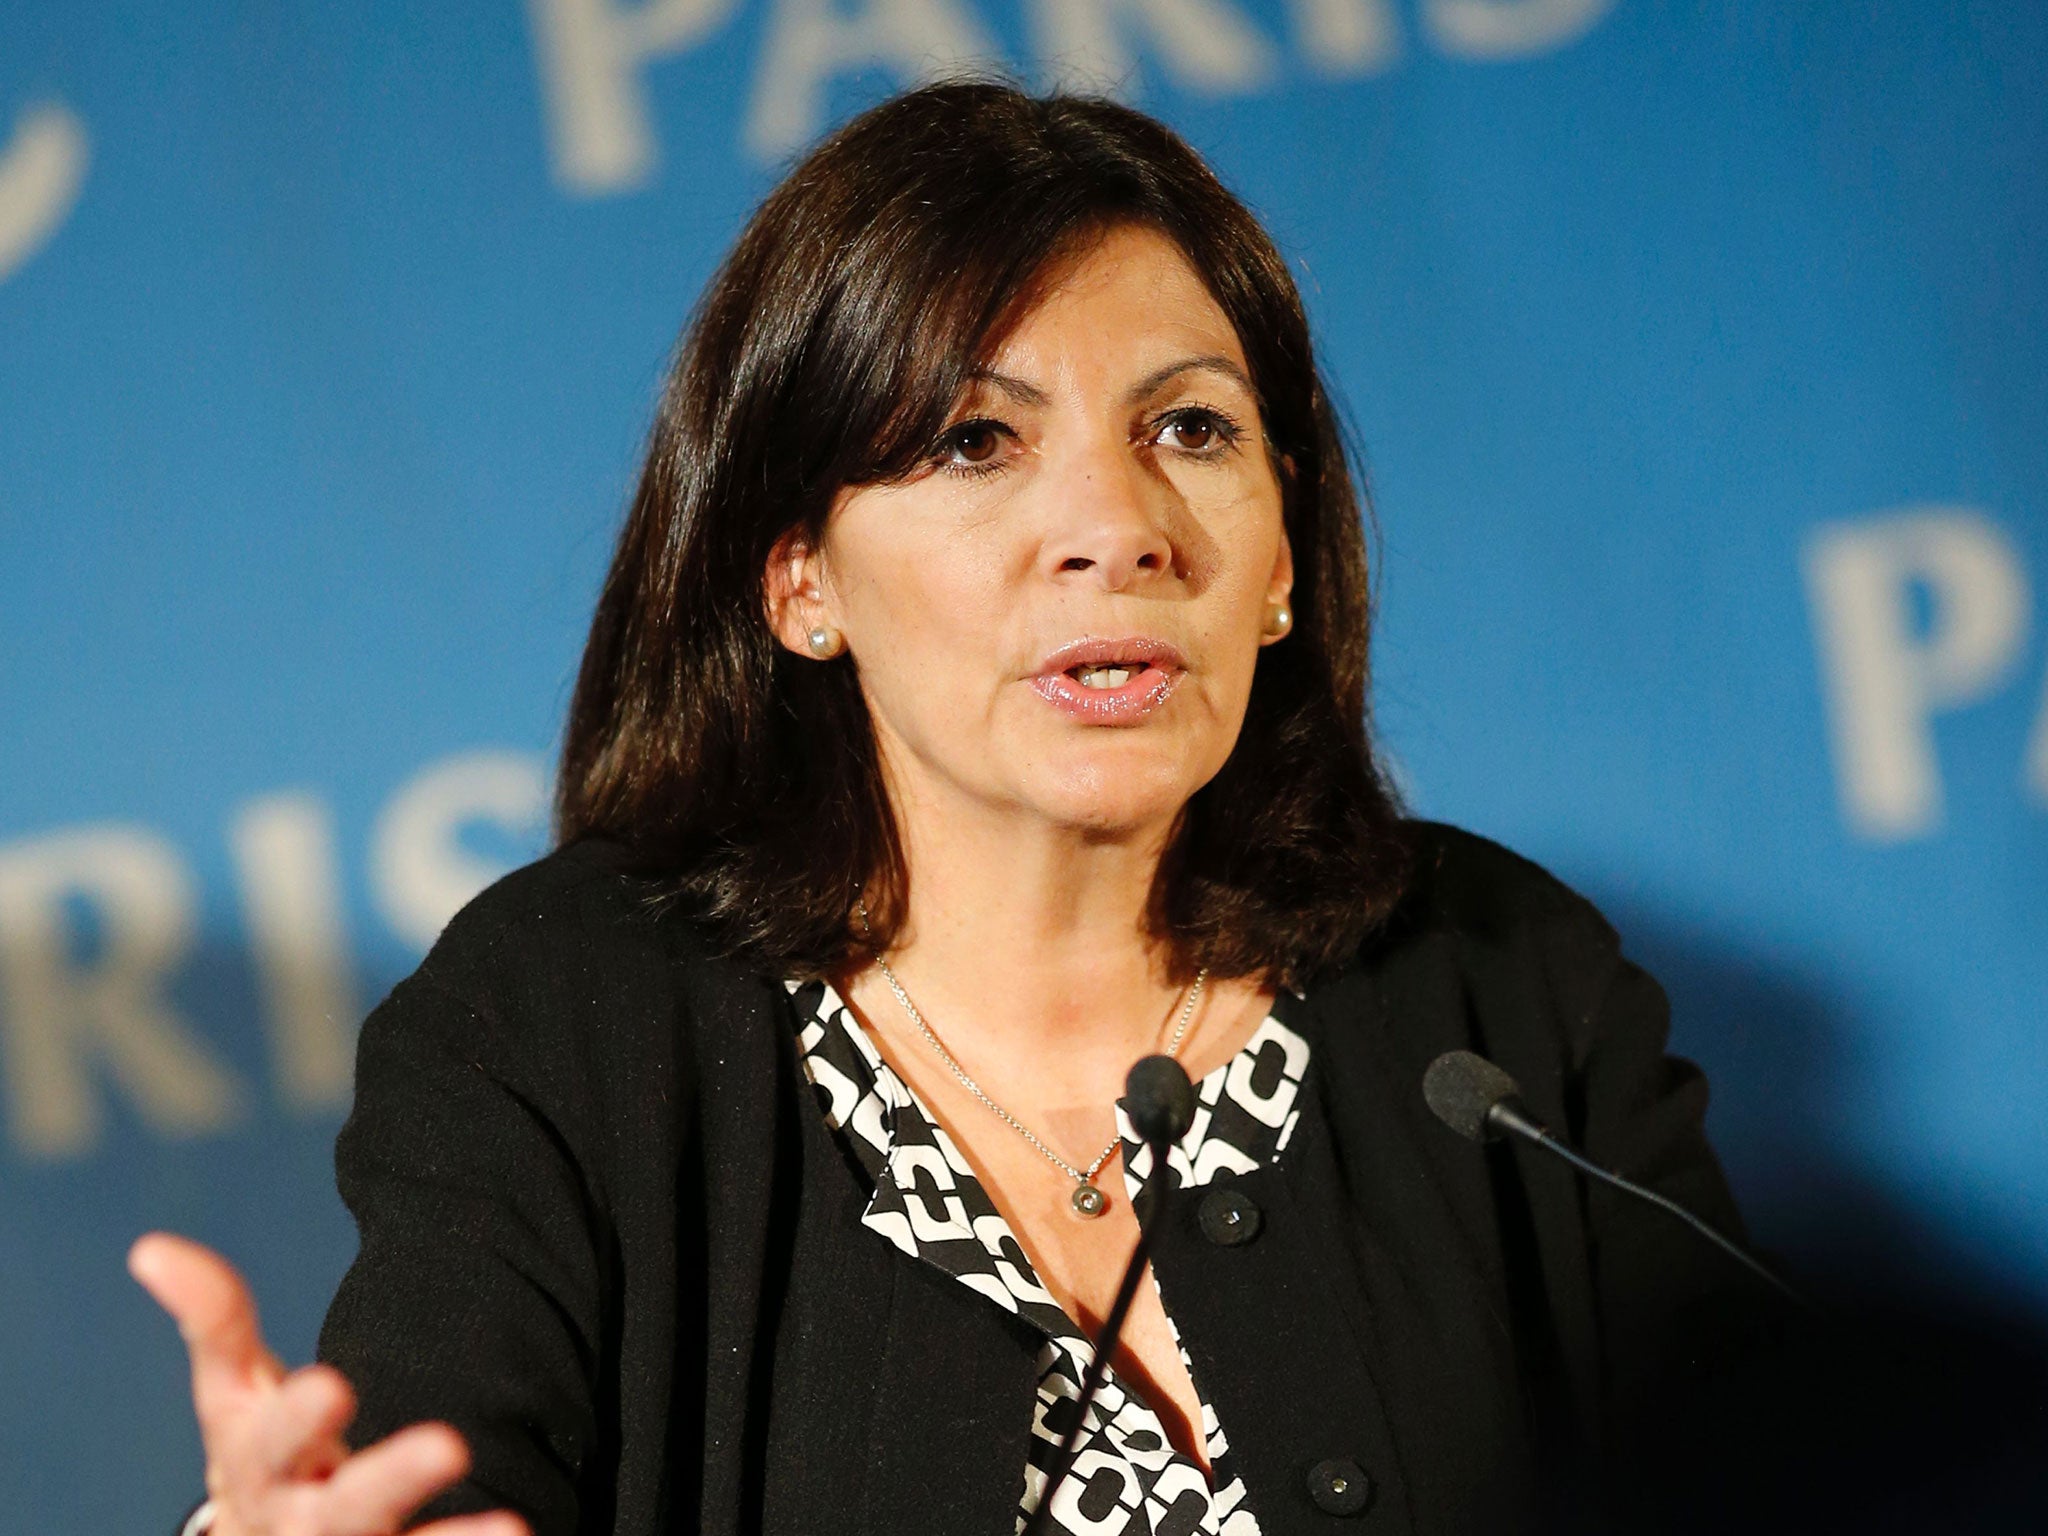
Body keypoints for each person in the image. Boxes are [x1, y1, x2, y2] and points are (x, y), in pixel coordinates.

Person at [130, 80, 1758, 1536]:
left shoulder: (1502, 995)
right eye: (977, 441)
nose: (1116, 529)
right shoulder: (567, 1023)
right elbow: (429, 1468)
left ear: (1278, 561)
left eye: (1190, 429)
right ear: (799, 579)